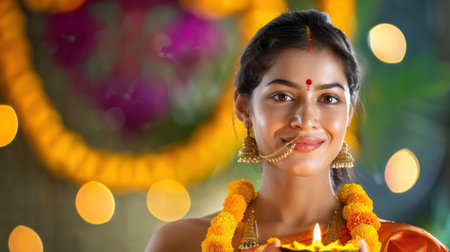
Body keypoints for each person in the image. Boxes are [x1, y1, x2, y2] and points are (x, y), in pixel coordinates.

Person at [145, 10, 448, 252]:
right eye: (282, 97)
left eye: (328, 99)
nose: (305, 119)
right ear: (243, 107)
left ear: (349, 113)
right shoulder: (180, 244)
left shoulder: (404, 247)